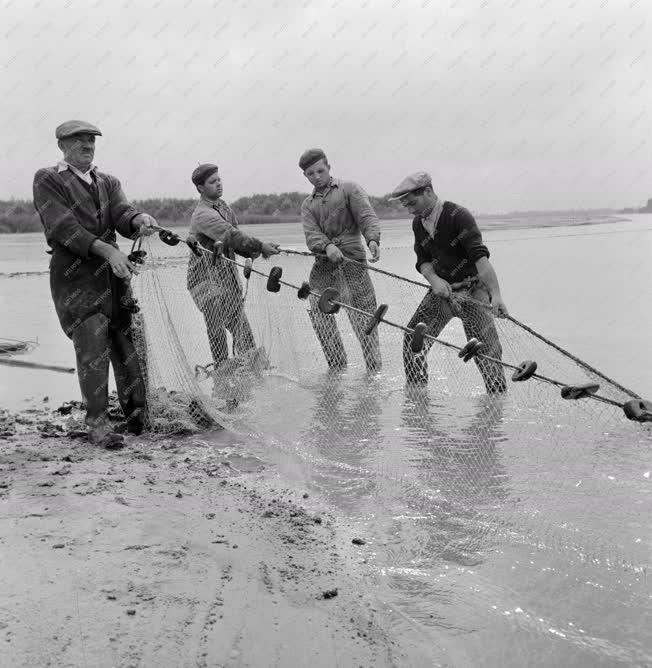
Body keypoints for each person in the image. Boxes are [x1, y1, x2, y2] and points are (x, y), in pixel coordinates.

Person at [32, 120, 157, 448]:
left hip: (114, 276)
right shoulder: (48, 179)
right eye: (79, 141)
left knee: (127, 342)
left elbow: (123, 214)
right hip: (76, 277)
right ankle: (97, 423)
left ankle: (138, 417)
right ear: (62, 145)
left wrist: (139, 221)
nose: (87, 145)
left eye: (91, 140)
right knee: (93, 343)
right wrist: (107, 250)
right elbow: (63, 227)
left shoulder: (108, 181)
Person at [389, 172, 507, 393]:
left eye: (412, 203)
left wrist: (496, 294)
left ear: (428, 192)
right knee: (413, 338)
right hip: (442, 292)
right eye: (406, 206)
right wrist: (434, 280)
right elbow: (422, 261)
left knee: (487, 352)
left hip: (473, 290)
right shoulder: (418, 223)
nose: (410, 210)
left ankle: (497, 404)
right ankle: (417, 395)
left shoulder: (458, 216)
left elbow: (480, 258)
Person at [186, 163, 279, 370]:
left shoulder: (224, 207)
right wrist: (261, 246)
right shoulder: (202, 214)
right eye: (212, 182)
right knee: (216, 325)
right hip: (204, 280)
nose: (218, 184)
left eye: (219, 179)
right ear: (201, 188)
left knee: (242, 329)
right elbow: (230, 235)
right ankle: (221, 370)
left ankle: (254, 372)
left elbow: (237, 242)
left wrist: (256, 251)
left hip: (227, 279)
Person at [299, 148, 382, 372]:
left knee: (365, 322)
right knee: (320, 316)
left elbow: (366, 217)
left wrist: (372, 239)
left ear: (328, 167)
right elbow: (312, 235)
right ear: (305, 176)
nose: (316, 176)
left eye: (320, 170)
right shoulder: (307, 205)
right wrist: (327, 246)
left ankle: (374, 374)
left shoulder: (349, 189)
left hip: (353, 264)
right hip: (323, 268)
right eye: (310, 173)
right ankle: (336, 370)